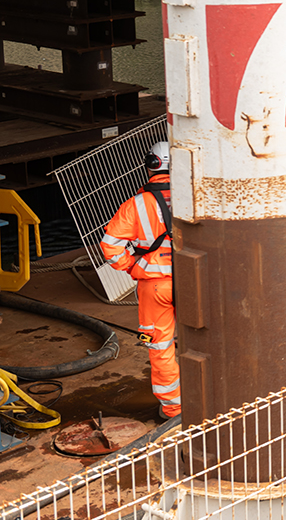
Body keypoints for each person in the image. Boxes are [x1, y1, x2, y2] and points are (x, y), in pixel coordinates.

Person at [100, 141, 181, 420]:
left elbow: (110, 246)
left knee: (160, 345)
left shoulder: (135, 205)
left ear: (151, 165)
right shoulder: (198, 195)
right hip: (196, 280)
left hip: (155, 284)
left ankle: (174, 409)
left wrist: (132, 267)